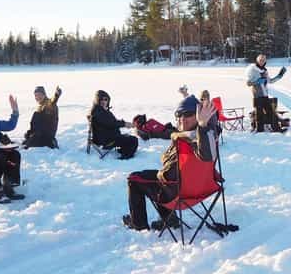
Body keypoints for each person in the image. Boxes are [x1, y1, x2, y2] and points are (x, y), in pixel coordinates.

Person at [123, 95, 218, 231]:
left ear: (198, 116)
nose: (182, 119)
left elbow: (206, 155)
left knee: (134, 178)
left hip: (179, 194)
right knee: (158, 178)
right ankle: (169, 219)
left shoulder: (198, 138)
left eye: (188, 114)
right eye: (178, 115)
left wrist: (202, 125)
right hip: (201, 188)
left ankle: (138, 224)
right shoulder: (209, 136)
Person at [89, 90, 138, 159]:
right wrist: (124, 124)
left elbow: (111, 122)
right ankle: (126, 156)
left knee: (128, 138)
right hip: (107, 140)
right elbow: (111, 123)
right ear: (97, 100)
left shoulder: (100, 111)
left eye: (105, 99)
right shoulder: (99, 112)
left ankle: (123, 150)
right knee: (133, 140)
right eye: (101, 99)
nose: (103, 101)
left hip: (106, 137)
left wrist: (124, 123)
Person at [245, 54, 287, 132]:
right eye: (260, 60)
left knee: (271, 113)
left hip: (265, 95)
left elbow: (270, 81)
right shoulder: (252, 69)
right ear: (257, 60)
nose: (262, 62)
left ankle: (276, 129)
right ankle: (259, 130)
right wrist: (257, 81)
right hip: (257, 96)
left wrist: (280, 75)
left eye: (263, 60)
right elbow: (248, 83)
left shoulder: (264, 70)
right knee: (259, 114)